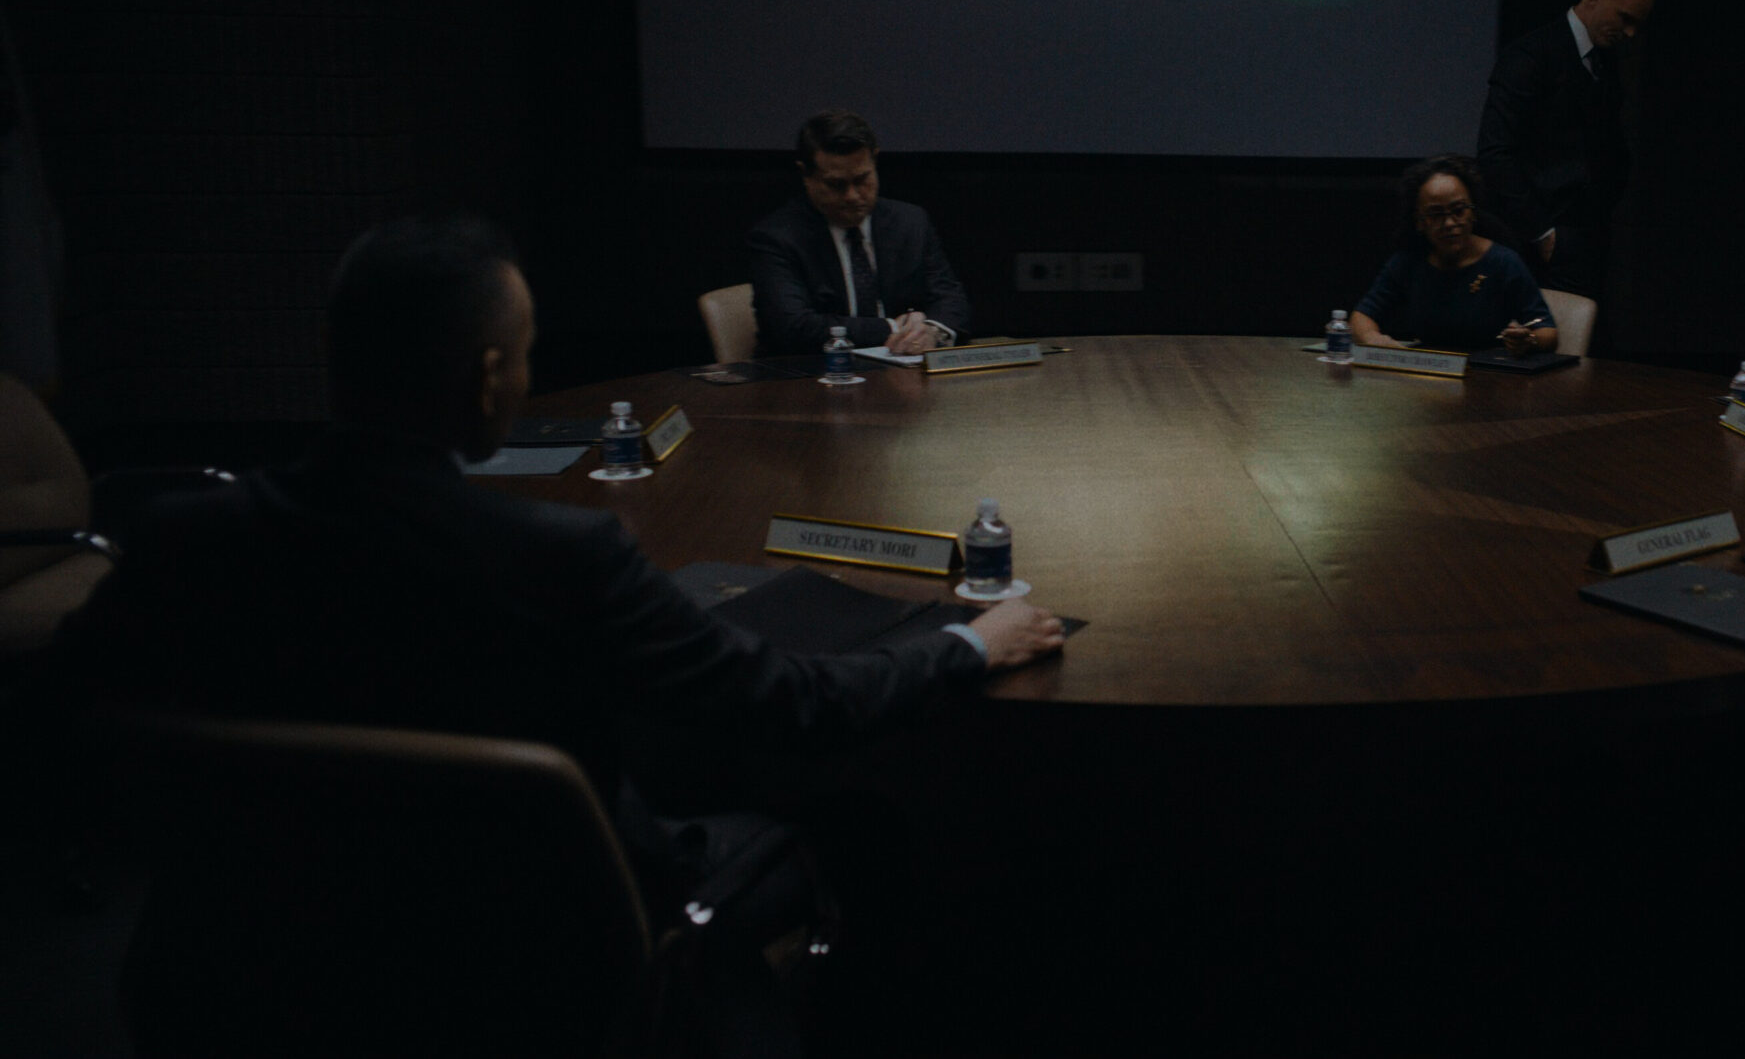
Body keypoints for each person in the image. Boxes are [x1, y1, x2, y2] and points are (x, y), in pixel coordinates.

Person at [37, 215, 1065, 1053]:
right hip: (521, 962)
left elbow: (64, 718)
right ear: (492, 379)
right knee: (860, 824)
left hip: (240, 964)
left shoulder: (182, 539)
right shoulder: (559, 559)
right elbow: (795, 705)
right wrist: (971, 642)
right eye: (526, 357)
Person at [1475, 0, 1652, 297]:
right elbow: (1495, 153)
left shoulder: (1605, 63)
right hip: (1532, 247)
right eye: (1625, 18)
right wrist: (1542, 234)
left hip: (1585, 242)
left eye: (1636, 24)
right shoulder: (1530, 56)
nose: (1630, 33)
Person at [747, 109, 969, 357]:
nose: (852, 196)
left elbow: (950, 298)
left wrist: (931, 331)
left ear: (874, 162)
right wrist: (894, 328)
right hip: (811, 372)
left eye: (862, 179)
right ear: (806, 176)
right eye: (836, 184)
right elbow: (793, 327)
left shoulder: (910, 222)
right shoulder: (777, 237)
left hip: (901, 370)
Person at [1350, 155, 1556, 356]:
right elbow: (1361, 317)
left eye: (1459, 211)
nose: (1449, 223)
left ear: (1473, 212)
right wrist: (1374, 340)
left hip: (1490, 373)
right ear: (1420, 221)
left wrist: (1529, 340)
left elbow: (1548, 332)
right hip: (1429, 371)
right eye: (1436, 214)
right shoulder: (1409, 261)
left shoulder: (1503, 262)